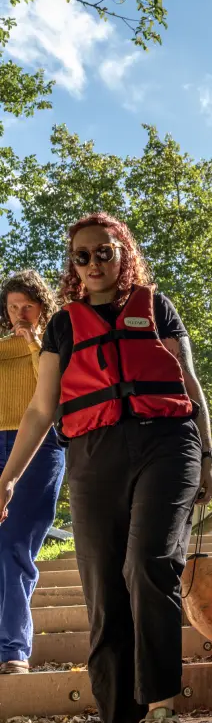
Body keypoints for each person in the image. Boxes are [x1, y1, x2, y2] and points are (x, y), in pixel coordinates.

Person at [0, 213, 212, 723]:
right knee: (103, 593)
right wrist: (9, 478)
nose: (94, 263)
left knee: (148, 564)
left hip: (166, 442)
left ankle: (163, 716)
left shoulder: (159, 306)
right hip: (94, 456)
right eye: (82, 256)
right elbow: (42, 410)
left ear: (125, 254)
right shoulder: (65, 327)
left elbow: (191, 386)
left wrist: (208, 452)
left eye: (105, 251)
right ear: (72, 267)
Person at [0, 270, 65, 675]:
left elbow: (55, 395)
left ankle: (12, 650)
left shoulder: (54, 347)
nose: (19, 315)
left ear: (43, 307)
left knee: (15, 544)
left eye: (27, 306)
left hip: (39, 448)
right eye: (12, 308)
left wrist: (35, 344)